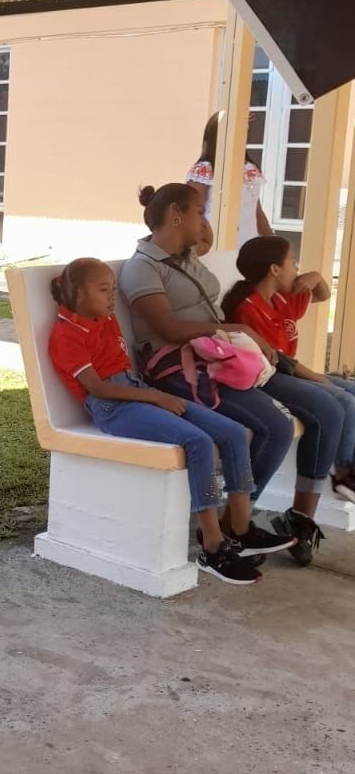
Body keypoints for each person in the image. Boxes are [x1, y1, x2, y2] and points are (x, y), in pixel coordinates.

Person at [49, 259, 262, 585]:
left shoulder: (103, 317)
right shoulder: (65, 335)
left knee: (233, 432)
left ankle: (242, 529)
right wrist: (157, 397)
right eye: (104, 290)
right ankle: (213, 545)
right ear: (78, 293)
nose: (111, 298)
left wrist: (152, 394)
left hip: (137, 390)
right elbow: (98, 388)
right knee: (198, 442)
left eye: (113, 289)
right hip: (113, 406)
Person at [119, 183, 295, 560]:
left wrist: (198, 228)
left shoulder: (184, 256)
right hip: (180, 370)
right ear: (176, 215)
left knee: (277, 424)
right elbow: (167, 329)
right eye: (199, 211)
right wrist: (238, 329)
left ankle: (237, 521)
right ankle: (237, 525)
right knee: (272, 427)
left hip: (217, 361)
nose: (205, 220)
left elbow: (205, 239)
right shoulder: (142, 269)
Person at [221, 236, 355, 563]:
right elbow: (278, 361)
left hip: (287, 373)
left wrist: (317, 277)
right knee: (335, 405)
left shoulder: (280, 297)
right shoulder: (248, 306)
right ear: (274, 269)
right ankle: (339, 477)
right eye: (292, 261)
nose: (296, 267)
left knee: (350, 393)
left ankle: (315, 503)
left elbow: (321, 294)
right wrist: (321, 379)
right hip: (266, 377)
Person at [187, 112, 273, 249]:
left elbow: (256, 210)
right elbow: (191, 210)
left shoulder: (249, 168)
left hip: (248, 246)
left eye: (245, 130)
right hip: (214, 245)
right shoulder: (205, 169)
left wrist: (273, 243)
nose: (243, 135)